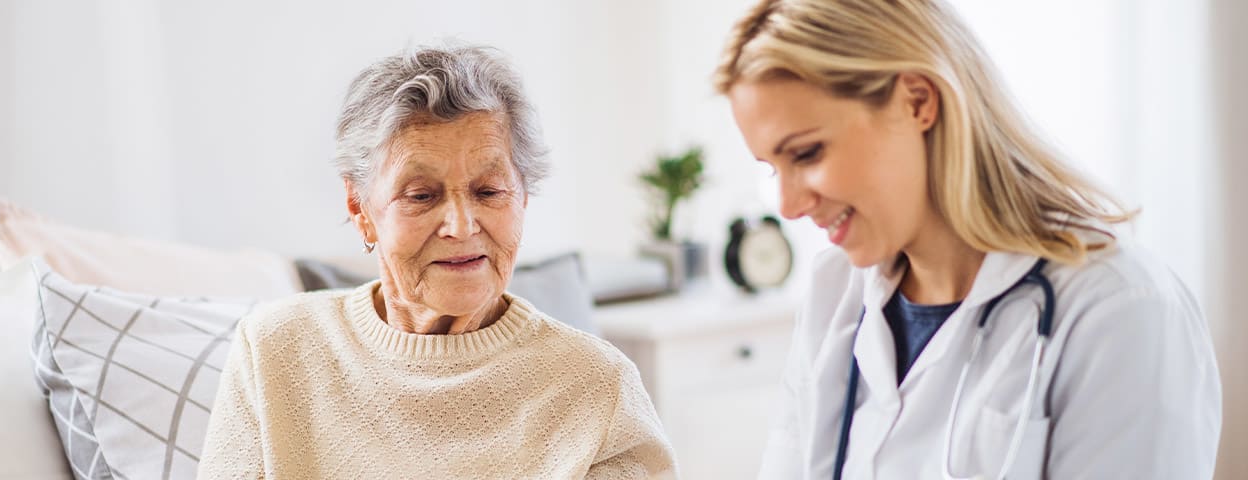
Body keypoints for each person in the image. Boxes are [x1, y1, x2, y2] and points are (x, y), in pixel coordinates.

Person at [712, 1, 1222, 478]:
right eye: (772, 169)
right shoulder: (834, 293)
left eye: (806, 154)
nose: (789, 206)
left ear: (917, 101)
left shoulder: (1120, 309)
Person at [197, 44, 676, 479]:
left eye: (488, 191)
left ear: (523, 199)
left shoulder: (596, 386)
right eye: (421, 195)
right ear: (360, 209)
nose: (462, 226)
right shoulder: (275, 350)